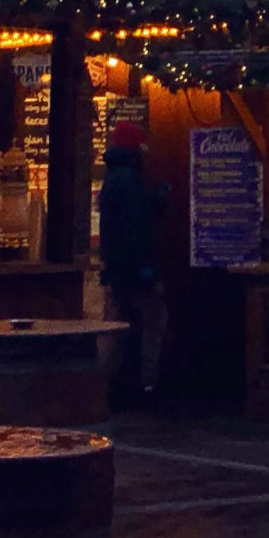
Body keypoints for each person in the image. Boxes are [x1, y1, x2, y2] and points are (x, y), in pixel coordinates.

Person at [99, 119, 169, 401]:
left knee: (120, 326)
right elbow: (136, 228)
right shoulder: (129, 180)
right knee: (154, 321)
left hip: (118, 270)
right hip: (135, 270)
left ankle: (113, 382)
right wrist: (146, 270)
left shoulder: (114, 178)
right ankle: (147, 384)